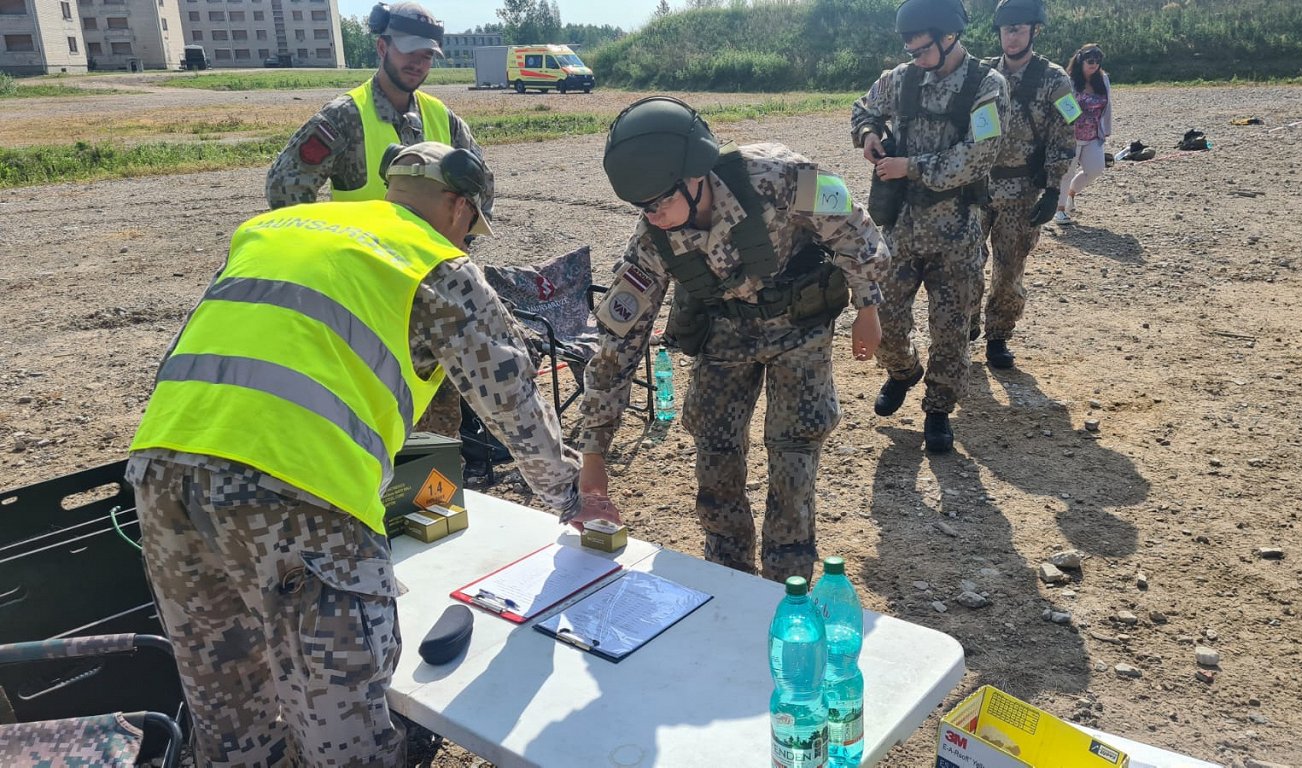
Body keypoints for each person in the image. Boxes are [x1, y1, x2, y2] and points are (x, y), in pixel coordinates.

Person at [127, 142, 616, 767]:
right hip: (298, 495)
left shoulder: (272, 229)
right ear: (459, 207)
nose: (469, 241)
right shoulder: (433, 262)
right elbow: (512, 397)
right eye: (472, 227)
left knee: (232, 719)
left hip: (162, 473)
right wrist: (573, 496)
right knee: (346, 731)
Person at [582, 96, 888, 583]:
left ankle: (787, 580)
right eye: (642, 207)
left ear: (694, 175)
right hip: (725, 331)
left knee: (794, 450)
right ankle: (728, 573)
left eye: (661, 201)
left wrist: (868, 305)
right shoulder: (652, 240)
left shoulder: (782, 175)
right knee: (714, 447)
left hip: (799, 324)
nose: (653, 216)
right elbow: (618, 343)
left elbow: (855, 229)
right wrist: (594, 452)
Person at [851, 0, 1009, 452]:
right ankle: (903, 371)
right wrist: (869, 135)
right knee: (882, 318)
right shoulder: (902, 78)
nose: (916, 58)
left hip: (958, 231)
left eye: (923, 50)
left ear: (949, 37)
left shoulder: (986, 85)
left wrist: (910, 167)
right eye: (911, 50)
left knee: (952, 327)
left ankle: (938, 409)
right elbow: (863, 106)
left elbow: (980, 154)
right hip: (900, 228)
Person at [265, 2, 493, 214]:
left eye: (427, 55)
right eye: (409, 51)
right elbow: (284, 187)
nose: (418, 63)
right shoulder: (344, 117)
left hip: (429, 256)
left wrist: (461, 238)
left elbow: (481, 182)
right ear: (383, 47)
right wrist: (326, 247)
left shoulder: (443, 117)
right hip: (364, 257)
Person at [974, 0, 1078, 369]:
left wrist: (1054, 189)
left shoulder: (1055, 80)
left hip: (1021, 192)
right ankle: (968, 319)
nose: (1011, 36)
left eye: (1019, 29)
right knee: (966, 263)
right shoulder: (982, 74)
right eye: (1006, 29)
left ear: (1035, 31)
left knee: (1008, 269)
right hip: (977, 187)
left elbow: (1067, 134)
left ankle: (998, 336)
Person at [1054, 42, 1112, 225]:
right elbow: (1059, 105)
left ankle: (1071, 193)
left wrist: (1107, 129)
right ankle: (1060, 210)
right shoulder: (1068, 80)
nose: (1094, 64)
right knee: (1067, 172)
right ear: (1081, 61)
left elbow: (1108, 105)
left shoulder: (1103, 80)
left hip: (1093, 135)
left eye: (1098, 60)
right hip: (1070, 136)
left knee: (1095, 169)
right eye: (1090, 60)